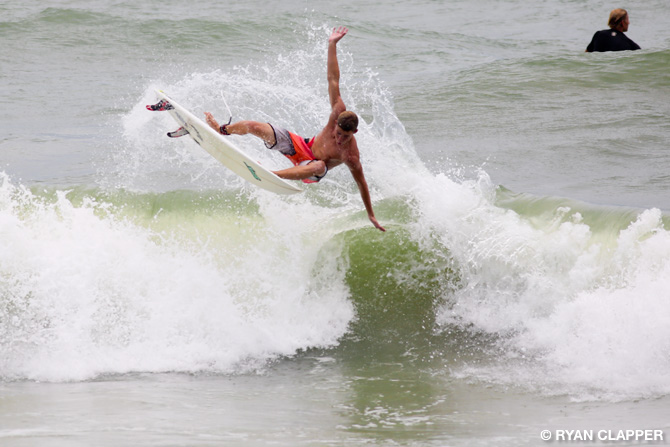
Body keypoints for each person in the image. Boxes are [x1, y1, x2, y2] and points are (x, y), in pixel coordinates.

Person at [204, 27, 385, 232]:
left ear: (355, 133)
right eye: (338, 133)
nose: (339, 138)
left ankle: (271, 175)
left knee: (318, 167)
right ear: (336, 123)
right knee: (252, 126)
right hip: (302, 146)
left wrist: (370, 214)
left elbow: (362, 183)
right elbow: (333, 79)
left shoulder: (350, 155)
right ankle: (222, 130)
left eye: (345, 137)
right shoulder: (337, 111)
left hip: (311, 169)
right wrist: (332, 44)